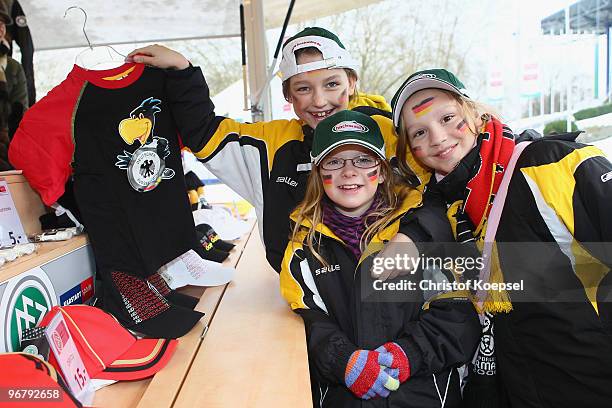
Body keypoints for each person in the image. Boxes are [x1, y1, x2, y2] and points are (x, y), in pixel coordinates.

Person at [391, 68, 612, 408]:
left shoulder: (552, 163)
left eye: (448, 117)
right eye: (419, 132)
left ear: (476, 113)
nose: (438, 137)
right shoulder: (450, 212)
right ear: (412, 151)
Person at [126, 27, 400, 273]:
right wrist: (182, 71)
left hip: (386, 289)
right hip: (300, 298)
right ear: (288, 96)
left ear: (351, 82)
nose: (319, 101)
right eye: (303, 88)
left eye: (332, 84)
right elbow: (204, 132)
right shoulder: (272, 142)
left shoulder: (389, 132)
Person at [280, 109, 480, 407]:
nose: (349, 172)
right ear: (318, 174)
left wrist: (408, 354)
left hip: (424, 397)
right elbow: (310, 327)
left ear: (383, 171)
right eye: (334, 161)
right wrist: (343, 360)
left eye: (364, 160)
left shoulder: (421, 234)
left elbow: (458, 316)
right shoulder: (303, 251)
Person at [0, 4, 26, 170]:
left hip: (7, 143)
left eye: (1, 23)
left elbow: (21, 108)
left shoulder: (13, 67)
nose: (0, 28)